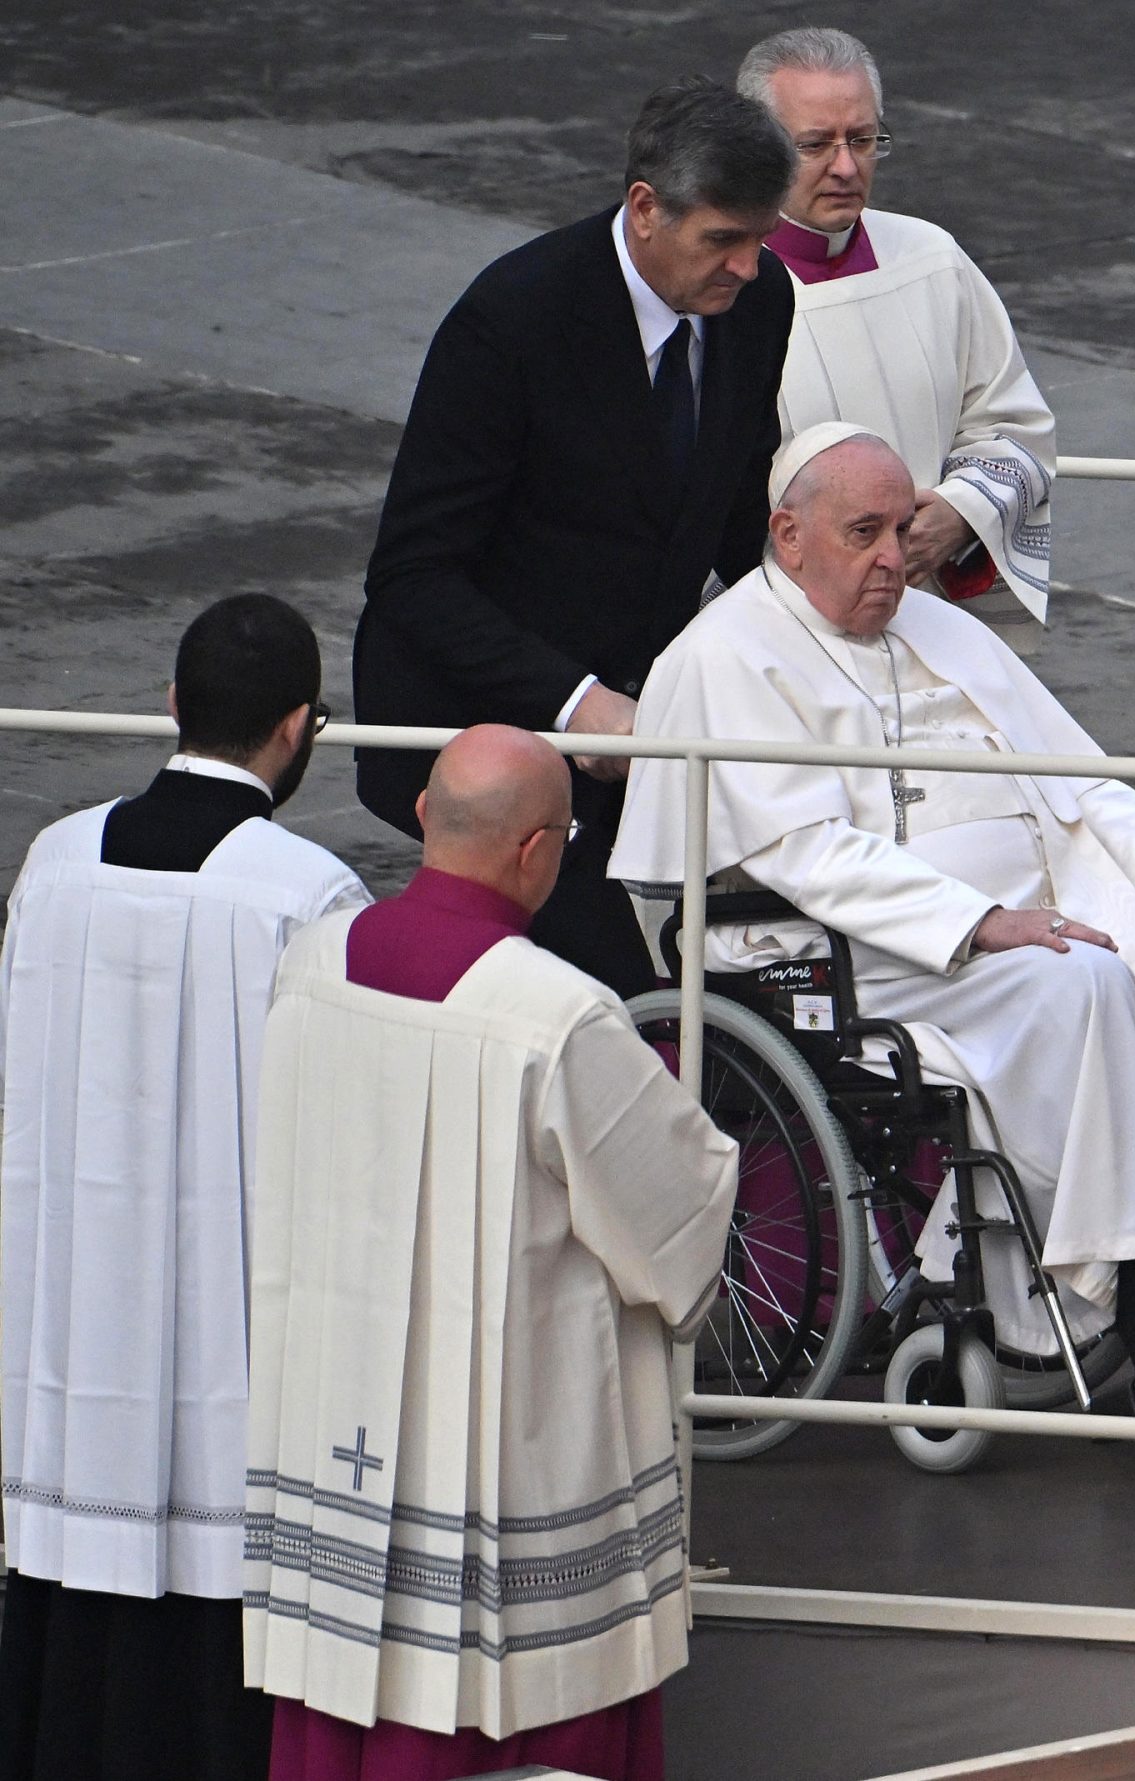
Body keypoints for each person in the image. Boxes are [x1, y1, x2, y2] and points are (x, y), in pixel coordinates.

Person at [611, 424, 1135, 1404]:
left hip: (1032, 914)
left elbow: (1075, 770)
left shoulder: (938, 627)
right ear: (788, 531)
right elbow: (799, 852)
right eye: (865, 532)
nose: (896, 558)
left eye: (902, 528)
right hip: (843, 950)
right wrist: (977, 919)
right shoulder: (725, 658)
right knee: (1084, 983)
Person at [245, 726, 740, 1781]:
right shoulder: (555, 1015)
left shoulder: (309, 961)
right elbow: (679, 1217)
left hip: (340, 1410)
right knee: (505, 1696)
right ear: (538, 853)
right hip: (506, 1456)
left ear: (424, 817)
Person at [0, 596, 365, 1781]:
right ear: (300, 728)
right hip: (225, 1309)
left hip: (70, 1293)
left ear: (171, 705)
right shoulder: (306, 894)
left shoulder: (54, 860)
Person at [354, 76, 798, 996]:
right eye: (724, 239)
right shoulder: (512, 321)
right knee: (622, 996)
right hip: (485, 721)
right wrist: (573, 700)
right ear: (645, 209)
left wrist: (822, 600)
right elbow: (414, 574)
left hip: (641, 724)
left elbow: (732, 506)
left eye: (762, 238)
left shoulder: (759, 302)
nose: (750, 267)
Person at [737, 27, 1055, 641]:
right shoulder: (721, 286)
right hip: (780, 624)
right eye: (815, 144)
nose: (846, 167)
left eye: (863, 139)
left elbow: (1014, 425)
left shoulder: (932, 259)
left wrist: (963, 513)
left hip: (930, 612)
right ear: (756, 146)